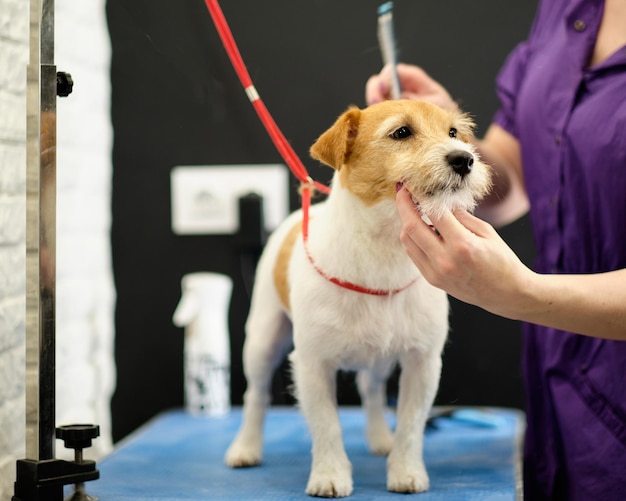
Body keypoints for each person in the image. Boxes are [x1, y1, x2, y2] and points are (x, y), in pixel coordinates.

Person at [366, 0, 626, 499]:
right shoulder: (566, 12)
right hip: (559, 389)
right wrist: (448, 141)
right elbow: (510, 172)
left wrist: (520, 293)